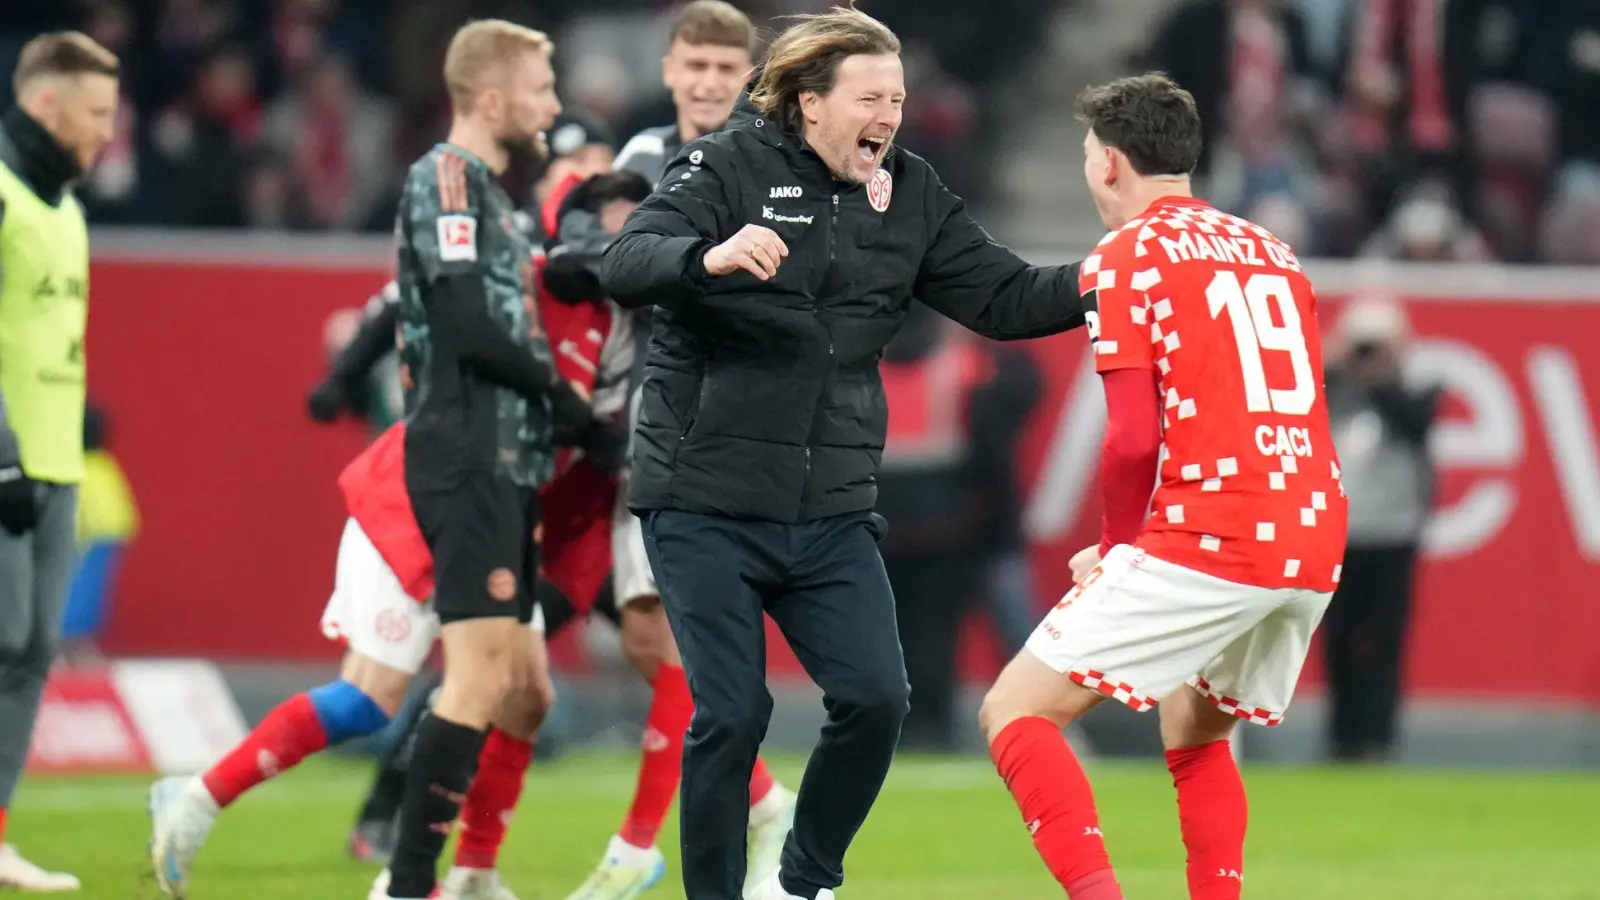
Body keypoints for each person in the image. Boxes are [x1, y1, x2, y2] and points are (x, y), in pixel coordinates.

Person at [598, 9, 1089, 900]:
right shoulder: (723, 165)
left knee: (876, 700)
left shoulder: (910, 191)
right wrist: (705, 258)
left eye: (899, 99)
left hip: (829, 508)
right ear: (809, 102)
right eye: (872, 98)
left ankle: (799, 884)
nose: (891, 116)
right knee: (733, 713)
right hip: (703, 499)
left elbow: (1007, 297)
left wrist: (1108, 276)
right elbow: (625, 258)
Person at [146, 180, 632, 900]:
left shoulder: (638, 330)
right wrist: (343, 375)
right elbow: (412, 302)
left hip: (497, 518)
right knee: (370, 700)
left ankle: (469, 870)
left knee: (524, 692)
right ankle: (200, 798)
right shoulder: (527, 280)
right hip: (418, 499)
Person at [977, 73, 1347, 900]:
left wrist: (1115, 551)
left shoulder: (1127, 256)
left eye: (1085, 159)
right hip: (1311, 531)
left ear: (1110, 164)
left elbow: (1135, 433)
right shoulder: (1275, 253)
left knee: (1016, 711)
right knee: (1195, 723)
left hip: (1218, 530)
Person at [0, 30, 120, 893]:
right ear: (46, 104)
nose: (107, 131)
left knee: (33, 649)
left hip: (57, 468)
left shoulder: (68, 210)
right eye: (96, 113)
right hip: (5, 463)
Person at [1322, 295, 1438, 762]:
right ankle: (1341, 738)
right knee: (1338, 638)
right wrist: (1339, 362)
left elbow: (1415, 424)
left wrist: (1382, 378)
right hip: (1339, 534)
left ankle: (1379, 739)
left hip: (1392, 536)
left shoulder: (1416, 390)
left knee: (1386, 638)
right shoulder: (1330, 389)